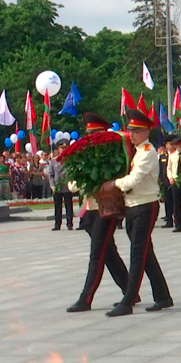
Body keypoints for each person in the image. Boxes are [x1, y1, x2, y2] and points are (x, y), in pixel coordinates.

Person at [101, 109, 173, 317]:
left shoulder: (148, 152)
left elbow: (134, 180)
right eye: (130, 130)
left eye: (135, 131)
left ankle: (128, 300)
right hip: (134, 205)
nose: (130, 134)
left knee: (137, 254)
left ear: (146, 132)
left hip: (144, 205)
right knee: (146, 254)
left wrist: (113, 184)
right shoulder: (138, 150)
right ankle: (163, 296)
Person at [66, 113, 133, 313]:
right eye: (88, 133)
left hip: (106, 208)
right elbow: (72, 183)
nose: (90, 137)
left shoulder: (112, 154)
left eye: (94, 133)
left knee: (97, 253)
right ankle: (129, 290)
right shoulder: (85, 153)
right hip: (91, 208)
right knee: (108, 253)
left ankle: (86, 298)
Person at [47, 139, 74, 230]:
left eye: (65, 148)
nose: (63, 149)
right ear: (58, 149)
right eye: (61, 148)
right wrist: (52, 185)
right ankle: (57, 224)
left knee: (68, 205)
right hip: (57, 187)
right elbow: (50, 174)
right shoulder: (53, 161)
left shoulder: (70, 159)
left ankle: (69, 223)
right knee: (57, 206)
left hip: (67, 186)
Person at [159, 135, 175, 229]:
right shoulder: (163, 156)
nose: (170, 145)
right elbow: (161, 169)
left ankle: (178, 219)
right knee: (167, 201)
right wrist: (160, 179)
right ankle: (169, 220)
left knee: (176, 201)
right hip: (165, 181)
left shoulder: (176, 154)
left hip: (175, 180)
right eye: (168, 143)